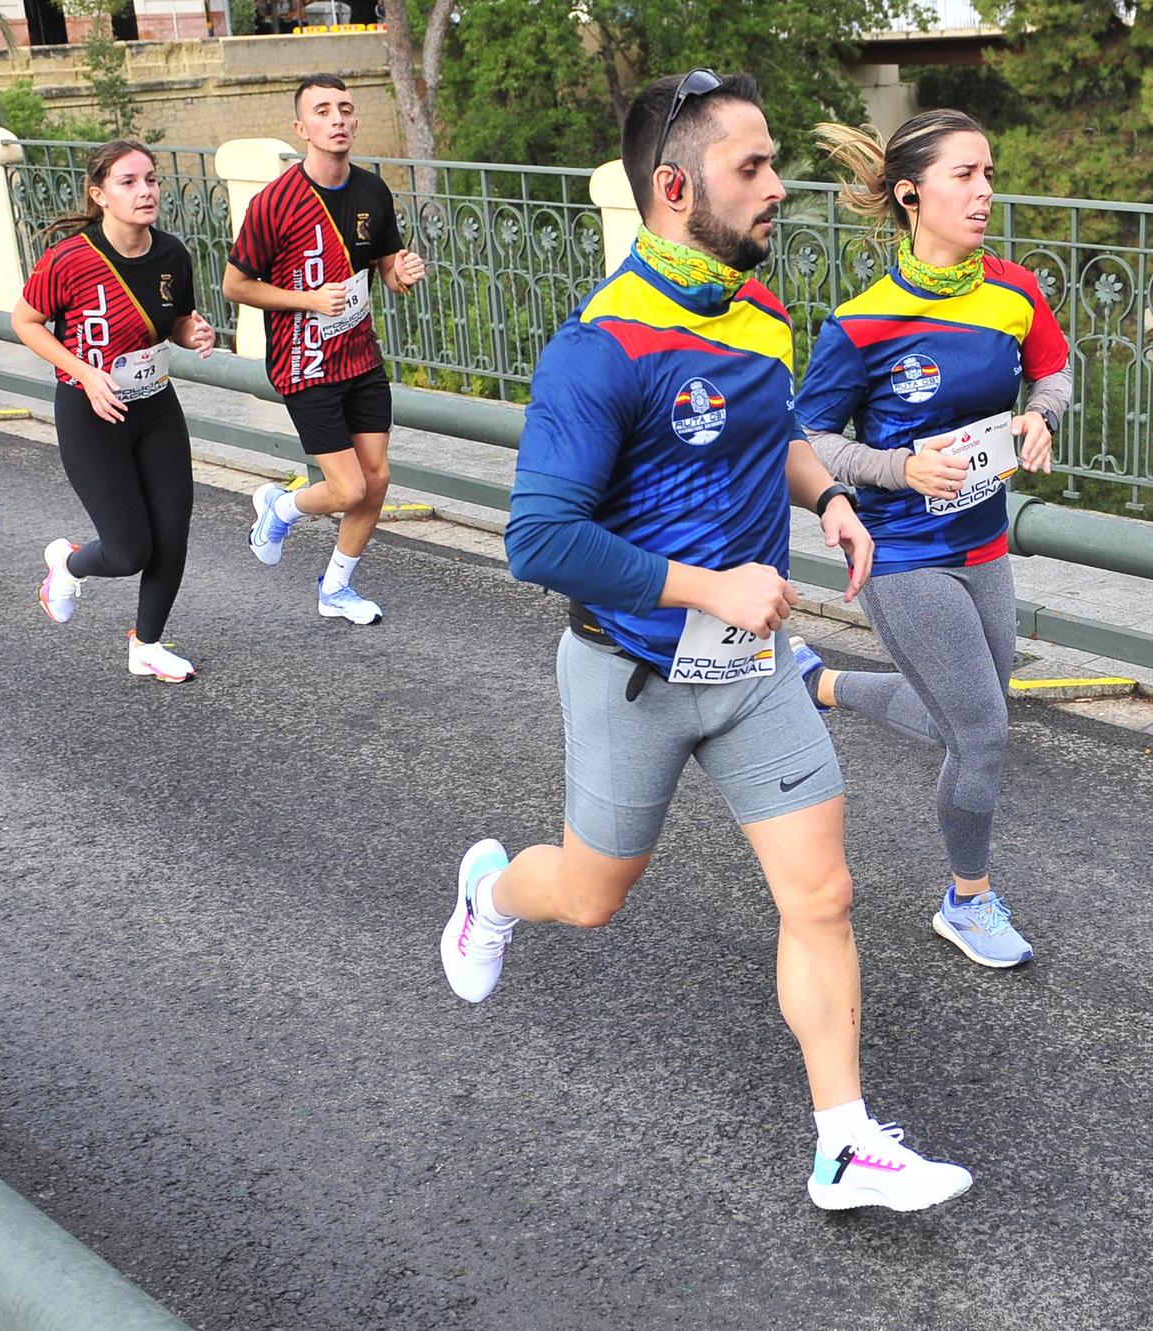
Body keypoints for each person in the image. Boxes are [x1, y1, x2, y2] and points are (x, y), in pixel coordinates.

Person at [440, 70, 973, 1213]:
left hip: (751, 674)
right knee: (589, 897)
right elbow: (536, 538)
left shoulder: (757, 311)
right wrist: (708, 586)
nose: (779, 187)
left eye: (774, 161)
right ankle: (489, 891)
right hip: (630, 672)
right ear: (675, 187)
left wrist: (825, 493)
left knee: (820, 893)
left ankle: (843, 1141)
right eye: (754, 168)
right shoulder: (599, 348)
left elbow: (766, 427)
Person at [793, 110, 1073, 969]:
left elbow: (1055, 367)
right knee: (983, 733)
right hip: (899, 551)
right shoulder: (865, 322)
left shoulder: (1014, 291)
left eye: (989, 173)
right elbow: (803, 434)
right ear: (912, 193)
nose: (986, 192)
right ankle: (968, 898)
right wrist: (895, 469)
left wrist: (1039, 415)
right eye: (966, 175)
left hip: (985, 541)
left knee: (972, 716)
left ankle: (824, 683)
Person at [223, 72, 427, 626]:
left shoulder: (372, 190)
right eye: (322, 111)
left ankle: (335, 588)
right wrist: (306, 298)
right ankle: (281, 507)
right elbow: (235, 286)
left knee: (377, 480)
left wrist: (403, 271)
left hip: (359, 355)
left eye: (344, 109)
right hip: (303, 360)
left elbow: (387, 269)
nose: (336, 119)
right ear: (301, 127)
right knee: (348, 487)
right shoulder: (275, 203)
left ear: (355, 121)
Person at [13, 140, 217, 681]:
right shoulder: (69, 259)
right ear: (99, 194)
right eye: (128, 182)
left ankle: (146, 645)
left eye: (150, 179)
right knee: (129, 552)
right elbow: (25, 323)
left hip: (155, 407)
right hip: (91, 413)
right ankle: (68, 565)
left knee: (172, 535)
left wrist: (191, 330)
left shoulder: (172, 254)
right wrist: (84, 371)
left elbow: (173, 319)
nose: (145, 190)